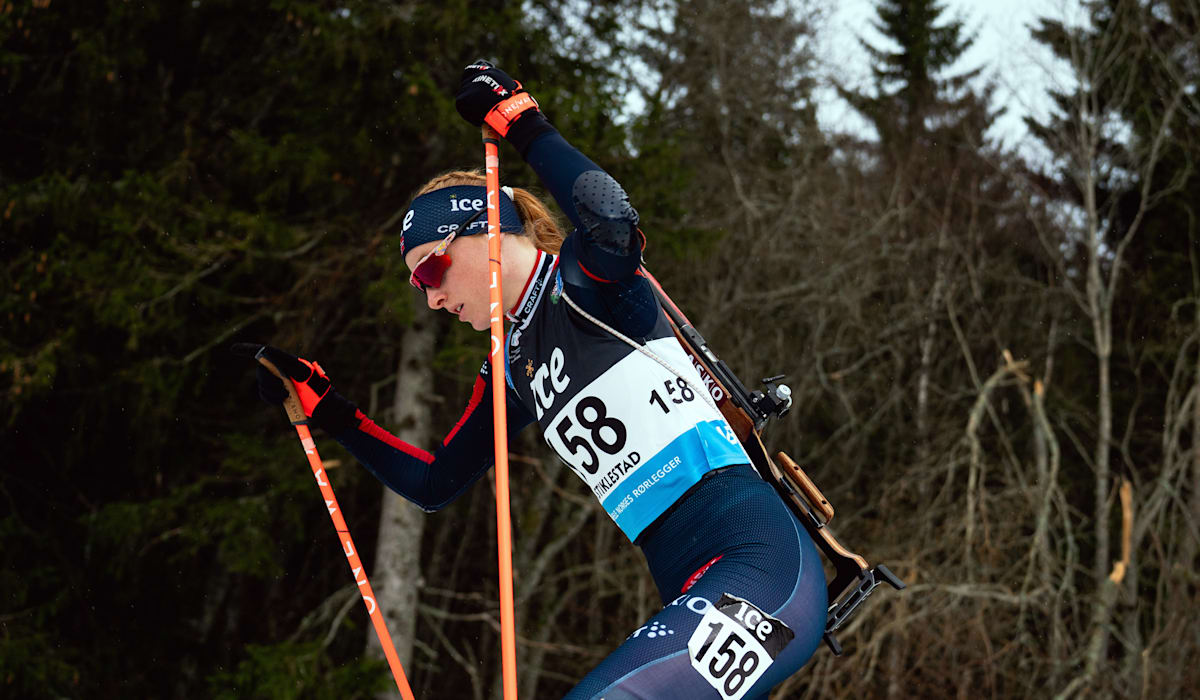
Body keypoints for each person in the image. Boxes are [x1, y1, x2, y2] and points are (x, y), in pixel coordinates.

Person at [239, 60, 826, 700]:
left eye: (431, 272)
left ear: (486, 231)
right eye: (417, 286)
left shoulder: (583, 286)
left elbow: (611, 220)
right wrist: (329, 410)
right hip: (693, 588)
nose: (430, 299)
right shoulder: (512, 364)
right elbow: (435, 481)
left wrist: (522, 122)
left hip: (761, 570)